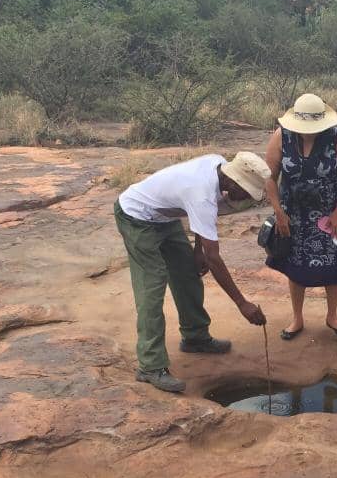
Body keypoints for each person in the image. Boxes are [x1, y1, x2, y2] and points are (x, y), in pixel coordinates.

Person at [114, 151, 269, 393]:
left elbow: (202, 222)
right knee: (152, 285)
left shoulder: (217, 165)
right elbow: (214, 258)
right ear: (233, 181)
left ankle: (195, 337)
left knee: (188, 274)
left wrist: (197, 250)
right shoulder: (201, 193)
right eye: (246, 192)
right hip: (136, 216)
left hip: (165, 217)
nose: (246, 198)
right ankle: (150, 366)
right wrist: (242, 304)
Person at [264, 93, 337, 340]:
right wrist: (279, 212)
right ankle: (297, 318)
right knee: (296, 266)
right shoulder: (281, 136)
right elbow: (269, 177)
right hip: (292, 214)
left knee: (334, 264)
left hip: (329, 215)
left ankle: (332, 316)